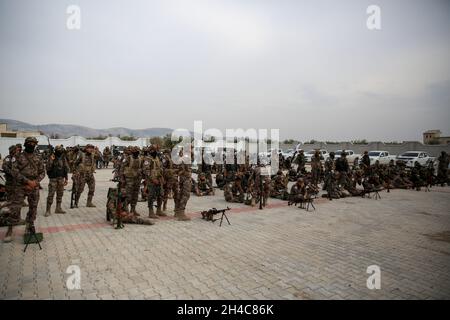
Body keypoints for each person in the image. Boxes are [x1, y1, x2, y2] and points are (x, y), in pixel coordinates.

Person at [5, 137, 45, 243]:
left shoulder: (38, 157)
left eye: (34, 143)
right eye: (30, 142)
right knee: (15, 208)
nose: (32, 144)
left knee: (33, 208)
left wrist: (35, 182)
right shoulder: (17, 156)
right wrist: (27, 182)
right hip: (20, 186)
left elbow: (42, 172)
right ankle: (10, 229)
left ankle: (30, 225)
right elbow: (14, 172)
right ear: (25, 144)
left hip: (34, 186)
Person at [45, 145, 69, 216]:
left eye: (61, 150)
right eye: (58, 150)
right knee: (51, 194)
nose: (60, 151)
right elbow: (48, 168)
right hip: (53, 179)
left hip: (61, 178)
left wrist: (66, 178)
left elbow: (65, 168)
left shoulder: (63, 158)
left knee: (60, 194)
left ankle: (58, 208)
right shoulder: (52, 157)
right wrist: (51, 160)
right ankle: (48, 210)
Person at [119, 146, 143, 215]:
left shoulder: (140, 159)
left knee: (135, 196)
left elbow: (141, 168)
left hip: (137, 179)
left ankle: (133, 210)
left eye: (138, 152)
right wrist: (122, 179)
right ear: (133, 152)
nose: (137, 153)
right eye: (136, 152)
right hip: (129, 179)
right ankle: (125, 209)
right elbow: (122, 168)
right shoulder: (128, 158)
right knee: (128, 195)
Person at [143, 145, 165, 218]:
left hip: (158, 179)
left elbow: (160, 168)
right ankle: (151, 212)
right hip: (151, 181)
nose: (156, 151)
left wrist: (161, 177)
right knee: (151, 196)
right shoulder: (148, 159)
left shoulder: (157, 158)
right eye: (154, 150)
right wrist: (153, 179)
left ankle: (158, 210)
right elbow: (146, 170)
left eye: (156, 150)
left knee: (160, 195)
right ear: (151, 151)